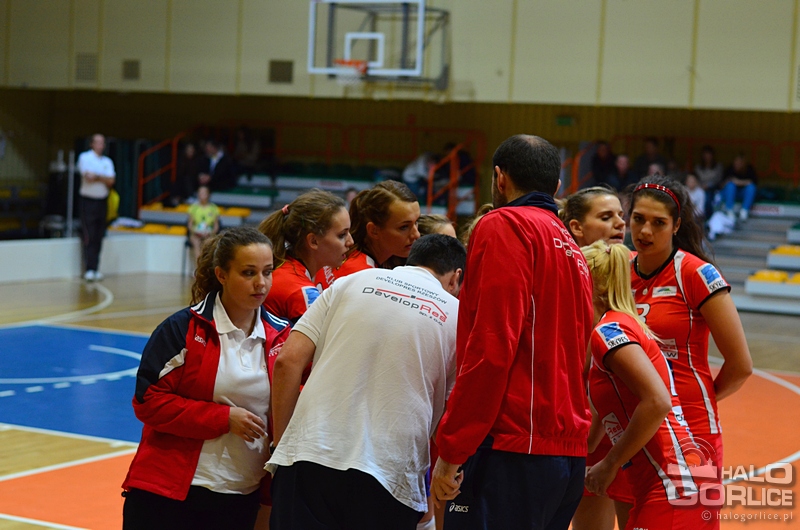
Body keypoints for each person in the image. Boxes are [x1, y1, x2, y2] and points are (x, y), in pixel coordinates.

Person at [431, 135, 594, 529]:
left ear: (499, 178)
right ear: (557, 187)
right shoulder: (573, 249)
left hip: (511, 449)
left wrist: (453, 448)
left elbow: (492, 345)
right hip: (566, 455)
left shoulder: (503, 224)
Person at [268, 234, 466, 530]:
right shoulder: (458, 315)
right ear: (456, 278)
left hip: (309, 453)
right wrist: (449, 469)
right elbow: (450, 415)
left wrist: (283, 445)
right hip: (389, 473)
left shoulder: (350, 282)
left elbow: (287, 362)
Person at [121, 226, 291, 530]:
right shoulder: (182, 328)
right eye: (248, 272)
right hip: (170, 494)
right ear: (221, 275)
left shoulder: (283, 337)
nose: (261, 283)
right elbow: (148, 401)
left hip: (241, 496)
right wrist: (223, 418)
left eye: (267, 272)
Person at [629, 175, 753, 513]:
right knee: (635, 519)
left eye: (658, 223)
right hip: (633, 428)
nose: (645, 231)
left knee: (692, 518)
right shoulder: (620, 272)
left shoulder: (696, 274)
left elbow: (741, 366)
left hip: (691, 430)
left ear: (676, 225)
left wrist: (697, 401)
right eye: (638, 219)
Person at [582, 240, 713, 529]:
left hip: (671, 485)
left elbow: (657, 401)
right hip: (668, 483)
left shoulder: (609, 331)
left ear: (593, 286)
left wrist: (610, 464)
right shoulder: (614, 327)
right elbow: (591, 436)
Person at [558, 186, 633, 530]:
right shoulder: (567, 282)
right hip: (578, 432)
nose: (620, 223)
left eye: (620, 215)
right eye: (606, 217)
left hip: (618, 433)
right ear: (576, 227)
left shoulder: (627, 272)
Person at [259, 190, 353, 324]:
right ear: (313, 241)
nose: (351, 242)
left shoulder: (285, 262)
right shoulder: (299, 291)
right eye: (342, 235)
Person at [315, 180, 421, 289]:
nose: (416, 234)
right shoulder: (366, 278)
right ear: (374, 230)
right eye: (404, 227)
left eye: (416, 222)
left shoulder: (345, 255)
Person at [77, 133, 115, 282]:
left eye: (102, 143)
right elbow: (88, 177)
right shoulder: (85, 158)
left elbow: (111, 181)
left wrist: (97, 177)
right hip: (88, 202)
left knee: (99, 235)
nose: (100, 145)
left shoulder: (107, 161)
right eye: (98, 142)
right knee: (90, 234)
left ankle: (96, 268)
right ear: (92, 144)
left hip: (102, 202)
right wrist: (103, 178)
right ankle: (89, 269)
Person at [187, 185, 221, 265]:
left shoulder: (214, 208)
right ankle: (198, 266)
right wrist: (195, 231)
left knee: (209, 243)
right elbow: (190, 224)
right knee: (196, 242)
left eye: (204, 193)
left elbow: (216, 226)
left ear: (208, 194)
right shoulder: (194, 208)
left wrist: (211, 233)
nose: (202, 195)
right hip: (196, 233)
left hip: (209, 233)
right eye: (200, 193)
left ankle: (206, 265)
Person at [721, 153, 758, 221]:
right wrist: (730, 181)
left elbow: (753, 183)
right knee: (730, 186)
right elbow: (721, 186)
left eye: (739, 163)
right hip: (729, 194)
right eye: (736, 162)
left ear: (743, 163)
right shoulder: (730, 169)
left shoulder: (749, 169)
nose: (737, 164)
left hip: (742, 194)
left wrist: (738, 182)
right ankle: (729, 210)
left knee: (751, 187)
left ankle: (744, 211)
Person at [694, 145, 724, 218]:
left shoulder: (718, 166)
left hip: (713, 189)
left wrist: (709, 185)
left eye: (709, 154)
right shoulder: (698, 167)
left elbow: (719, 180)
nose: (707, 157)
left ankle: (708, 217)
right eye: (705, 155)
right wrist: (700, 185)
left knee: (708, 198)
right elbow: (695, 178)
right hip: (699, 188)